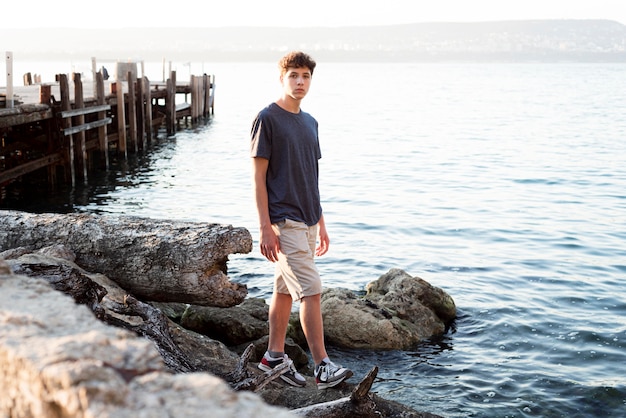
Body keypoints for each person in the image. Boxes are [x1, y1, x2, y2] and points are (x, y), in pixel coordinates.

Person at [250, 51, 353, 390]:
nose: (300, 82)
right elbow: (258, 179)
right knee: (312, 290)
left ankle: (273, 357)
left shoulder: (310, 122)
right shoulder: (267, 118)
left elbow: (311, 176)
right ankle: (322, 365)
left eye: (305, 76)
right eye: (293, 75)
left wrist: (321, 223)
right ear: (282, 78)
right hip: (284, 221)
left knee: (284, 291)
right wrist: (265, 227)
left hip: (309, 221)